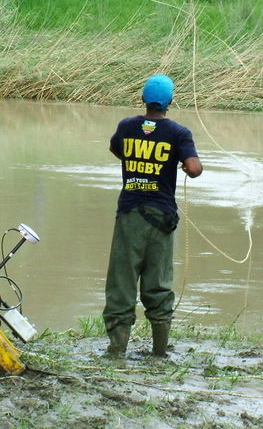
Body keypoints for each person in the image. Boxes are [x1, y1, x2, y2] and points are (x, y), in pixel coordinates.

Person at [103, 74, 203, 357]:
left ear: (143, 100)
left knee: (121, 283)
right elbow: (194, 169)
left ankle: (116, 350)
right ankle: (160, 351)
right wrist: (181, 163)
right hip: (161, 218)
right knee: (158, 283)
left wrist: (139, 159)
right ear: (170, 102)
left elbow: (116, 149)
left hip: (129, 215)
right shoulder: (178, 133)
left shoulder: (127, 126)